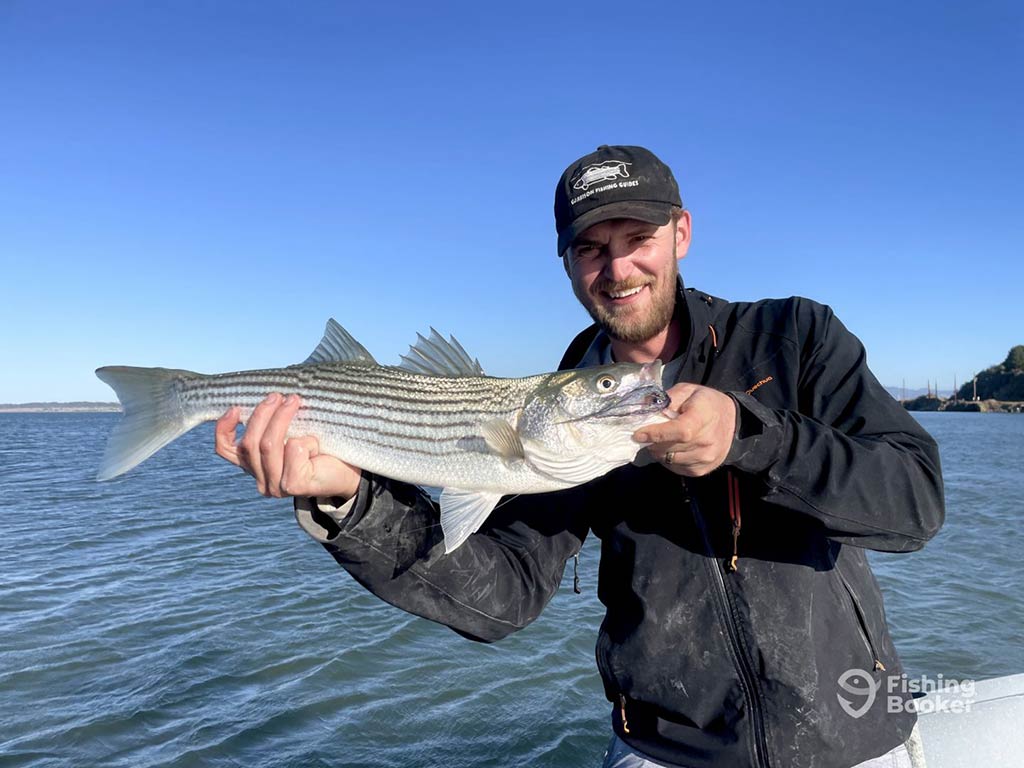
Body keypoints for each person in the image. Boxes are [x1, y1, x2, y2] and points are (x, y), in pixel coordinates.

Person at [214, 145, 944, 768]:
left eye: (638, 238)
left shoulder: (796, 335)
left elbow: (915, 504)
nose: (618, 267)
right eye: (592, 247)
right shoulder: (556, 417)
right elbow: (499, 595)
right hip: (664, 750)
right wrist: (350, 501)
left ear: (681, 233)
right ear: (566, 262)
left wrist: (754, 437)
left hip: (856, 735)